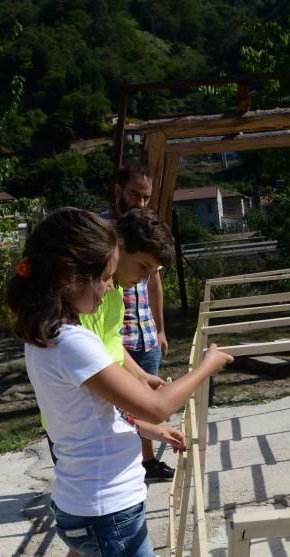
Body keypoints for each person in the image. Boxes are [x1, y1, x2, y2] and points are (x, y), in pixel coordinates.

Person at [6, 208, 232, 557]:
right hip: (105, 508)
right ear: (71, 275)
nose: (112, 288)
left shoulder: (46, 335)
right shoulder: (72, 342)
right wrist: (205, 366)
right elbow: (154, 402)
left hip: (88, 500)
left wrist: (146, 428)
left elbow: (95, 414)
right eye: (106, 277)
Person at [51, 206, 177, 557]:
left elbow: (112, 349)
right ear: (117, 249)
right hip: (84, 421)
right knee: (93, 505)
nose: (144, 277)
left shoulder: (113, 293)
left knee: (119, 499)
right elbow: (94, 377)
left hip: (105, 412)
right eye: (142, 266)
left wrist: (141, 376)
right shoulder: (84, 304)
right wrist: (143, 418)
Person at [108, 163, 174, 481]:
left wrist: (159, 328)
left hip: (144, 331)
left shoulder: (148, 231)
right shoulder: (105, 235)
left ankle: (147, 461)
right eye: (136, 194)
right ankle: (129, 463)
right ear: (118, 190)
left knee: (145, 400)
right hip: (117, 336)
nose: (141, 202)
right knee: (123, 404)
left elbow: (154, 286)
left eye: (147, 197)